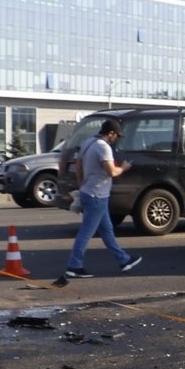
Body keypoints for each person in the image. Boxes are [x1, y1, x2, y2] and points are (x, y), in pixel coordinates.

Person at [64, 118, 142, 279]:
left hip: (90, 192)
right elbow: (112, 172)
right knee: (86, 233)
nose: (117, 139)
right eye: (117, 136)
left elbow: (78, 164)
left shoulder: (88, 142)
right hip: (97, 195)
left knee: (107, 231)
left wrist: (81, 183)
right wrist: (123, 168)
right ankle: (74, 266)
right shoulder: (103, 147)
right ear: (111, 133)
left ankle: (124, 260)